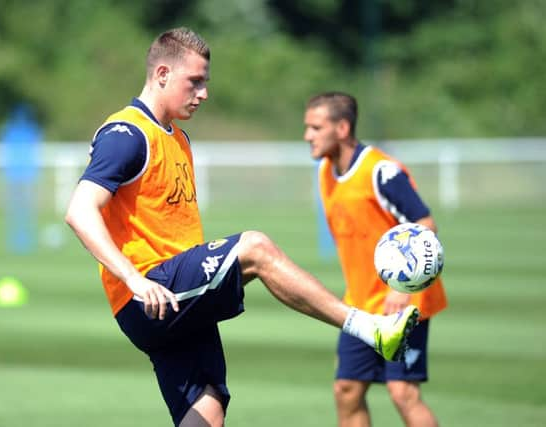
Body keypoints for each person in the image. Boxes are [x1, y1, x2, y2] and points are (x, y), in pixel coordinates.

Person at [65, 28, 420, 427]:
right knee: (255, 247)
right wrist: (133, 279)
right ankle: (369, 327)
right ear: (162, 74)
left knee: (209, 410)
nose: (203, 93)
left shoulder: (177, 138)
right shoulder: (127, 134)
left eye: (206, 83)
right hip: (149, 288)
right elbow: (80, 211)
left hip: (177, 298)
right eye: (194, 82)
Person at [303, 92, 448, 427]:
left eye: (315, 127)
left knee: (402, 392)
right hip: (361, 304)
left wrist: (402, 288)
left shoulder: (382, 172)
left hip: (404, 302)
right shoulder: (326, 171)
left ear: (341, 128)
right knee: (347, 388)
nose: (307, 135)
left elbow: (426, 225)